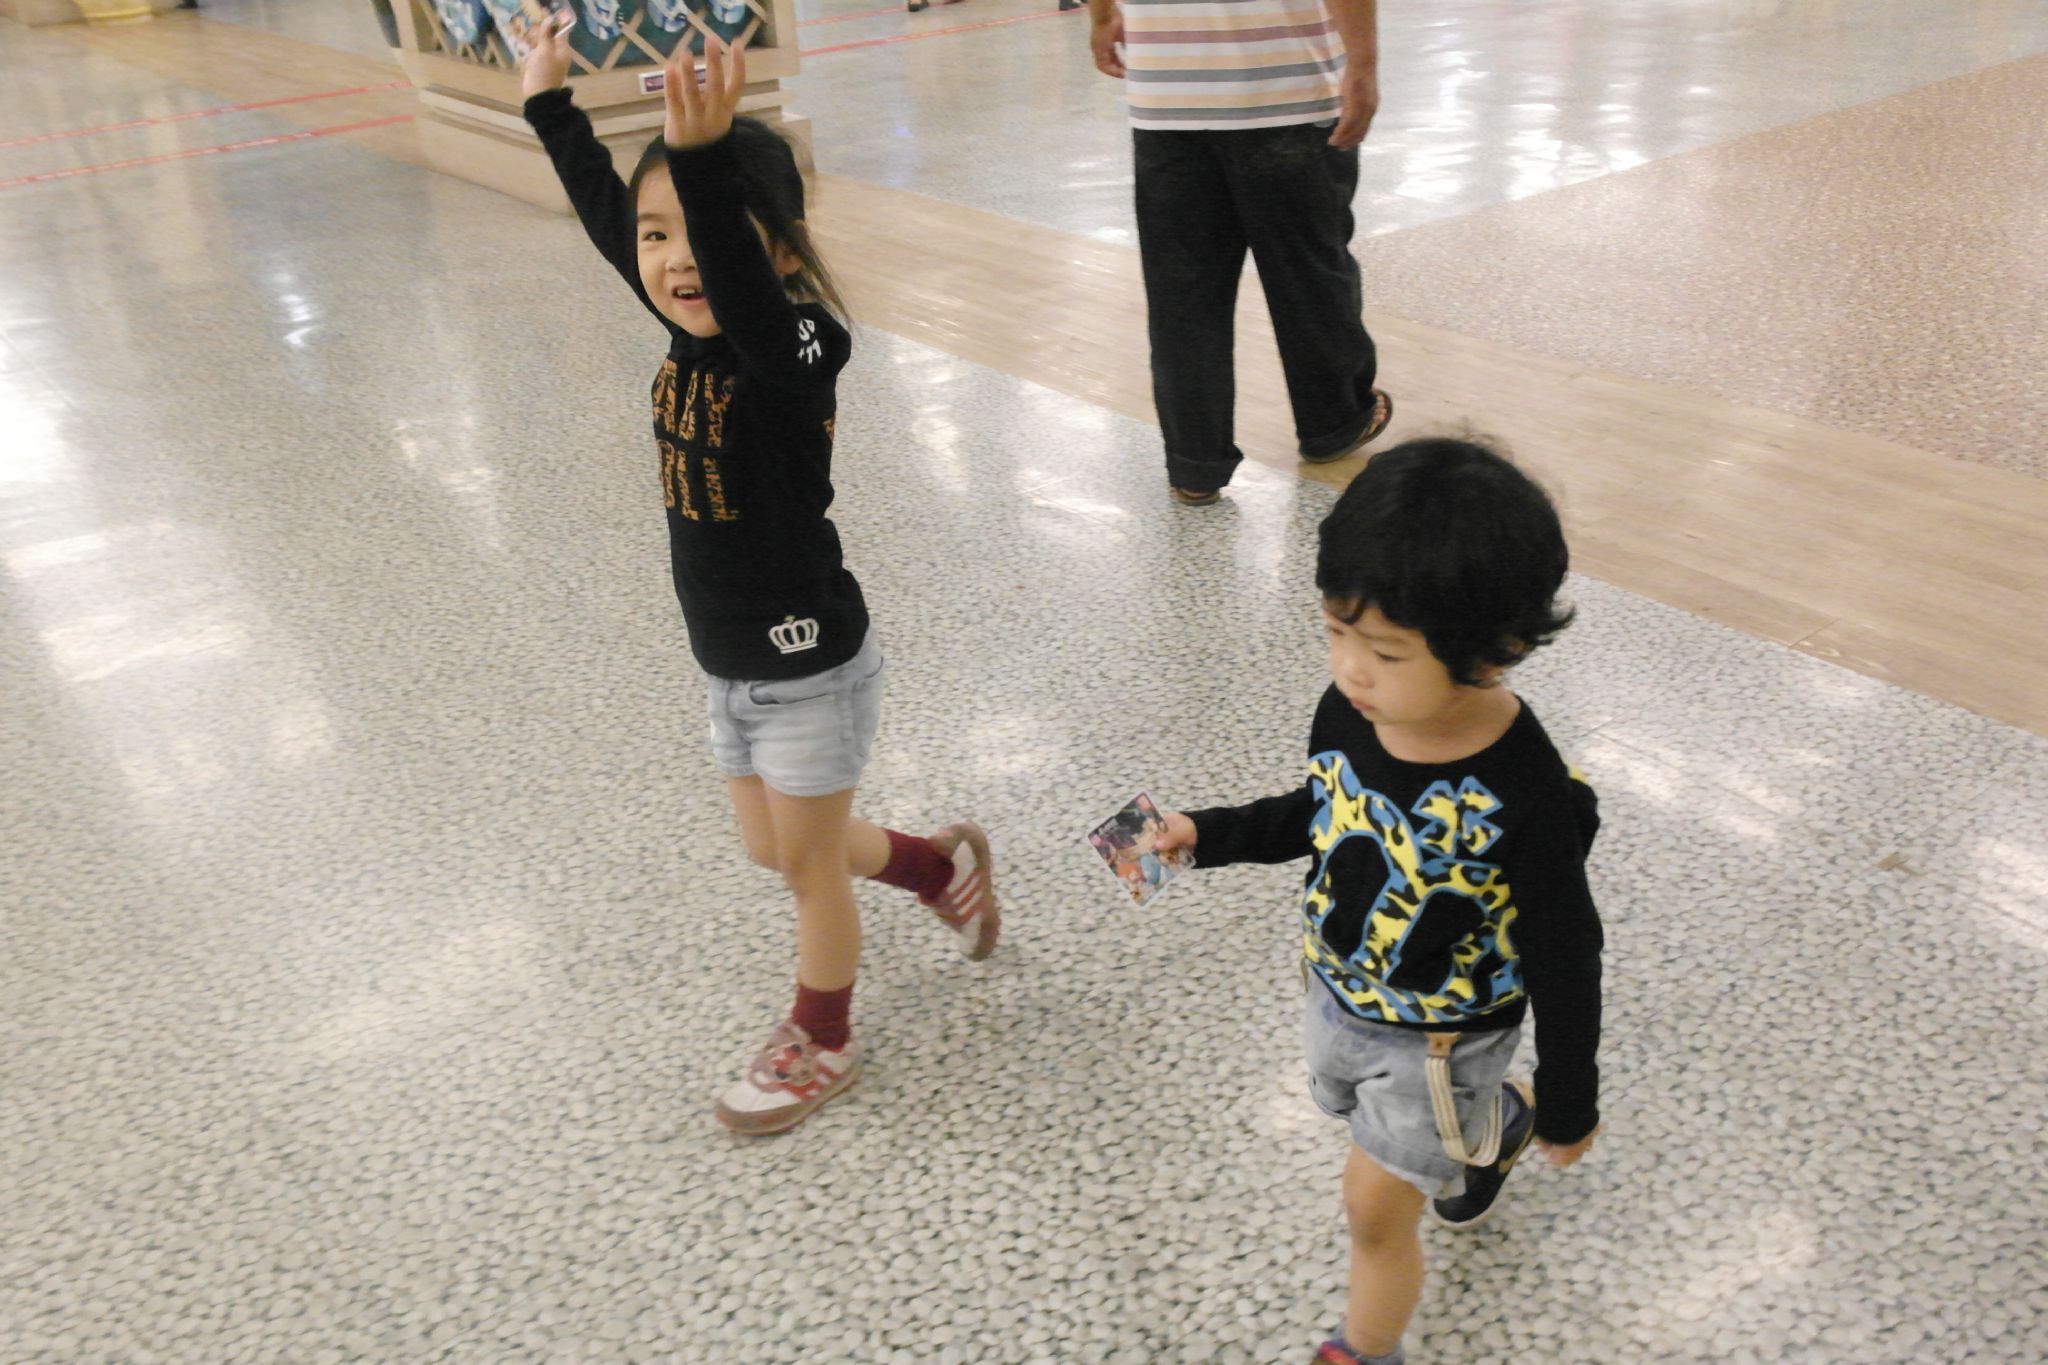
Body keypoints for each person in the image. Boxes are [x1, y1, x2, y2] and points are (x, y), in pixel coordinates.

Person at [519, 27, 1001, 1136]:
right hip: (726, 662)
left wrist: (699, 164)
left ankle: (821, 1038)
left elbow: (744, 302)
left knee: (806, 870)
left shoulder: (798, 351)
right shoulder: (685, 328)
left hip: (808, 662)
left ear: (779, 251)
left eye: (712, 235)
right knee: (775, 846)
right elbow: (611, 221)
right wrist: (551, 107)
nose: (674, 261)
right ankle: (930, 866)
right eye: (657, 238)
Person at [1148, 438, 1605, 1364]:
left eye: (1387, 651)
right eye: (1335, 632)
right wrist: (1206, 831)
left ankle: (1363, 1347)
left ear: (1497, 653)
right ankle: (1495, 1127)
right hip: (1337, 992)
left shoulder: (1526, 794)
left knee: (1372, 1209)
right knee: (1359, 1122)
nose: (1351, 670)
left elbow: (1566, 952)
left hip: (1442, 1039)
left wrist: (1570, 1096)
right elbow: (1324, 812)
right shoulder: (1349, 709)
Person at [1087, 0, 1393, 505]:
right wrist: (1362, 66)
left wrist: (1101, 17)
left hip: (1167, 100)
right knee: (1310, 276)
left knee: (1183, 295)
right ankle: (1334, 421)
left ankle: (1195, 463)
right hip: (1287, 90)